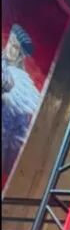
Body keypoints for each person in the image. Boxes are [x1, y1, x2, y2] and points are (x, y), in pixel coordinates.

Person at [2, 24, 40, 179]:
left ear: (21, 54)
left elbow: (20, 127)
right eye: (10, 43)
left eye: (16, 47)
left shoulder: (21, 82)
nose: (11, 49)